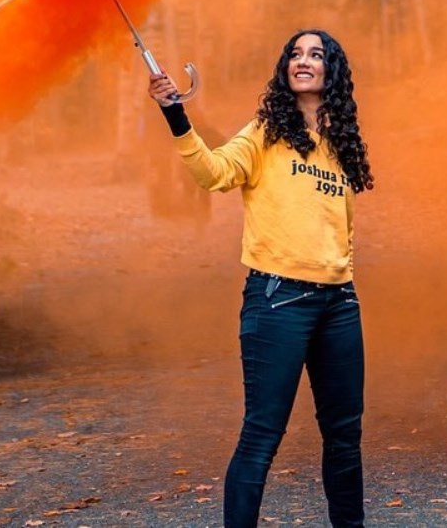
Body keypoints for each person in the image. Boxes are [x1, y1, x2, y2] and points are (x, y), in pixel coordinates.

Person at [148, 28, 374, 528]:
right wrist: (175, 114)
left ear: (331, 71)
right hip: (278, 301)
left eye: (316, 54)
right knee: (262, 434)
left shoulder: (340, 140)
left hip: (339, 304)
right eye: (295, 53)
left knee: (344, 435)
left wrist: (344, 276)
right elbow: (214, 173)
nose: (303, 60)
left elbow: (341, 225)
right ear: (285, 68)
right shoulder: (265, 132)